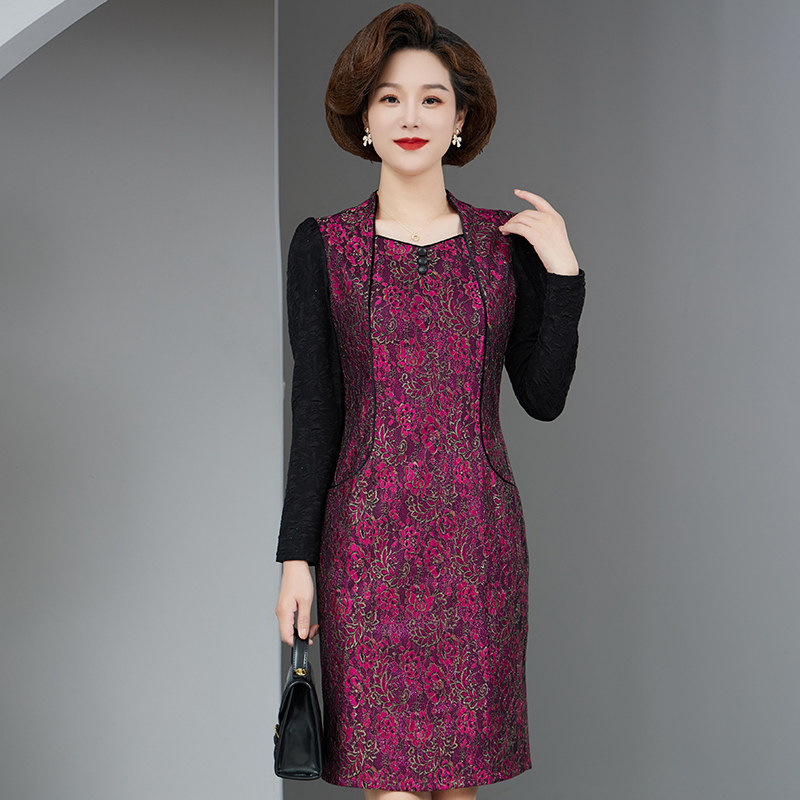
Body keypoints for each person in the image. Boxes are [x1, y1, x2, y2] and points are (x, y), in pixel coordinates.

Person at [274, 3, 586, 797]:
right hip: (366, 551)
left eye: (431, 98)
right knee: (393, 783)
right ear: (364, 118)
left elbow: (543, 397)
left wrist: (563, 277)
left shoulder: (503, 246)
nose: (410, 117)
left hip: (477, 547)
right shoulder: (325, 246)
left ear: (460, 120)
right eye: (389, 98)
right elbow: (315, 408)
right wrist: (296, 558)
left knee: (459, 785)